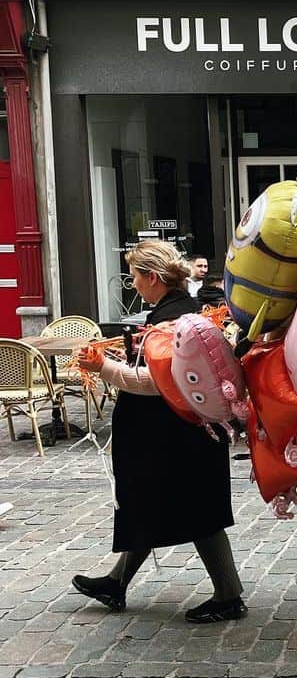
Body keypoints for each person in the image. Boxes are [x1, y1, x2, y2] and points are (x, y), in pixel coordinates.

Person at [72, 240, 246, 623]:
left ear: (152, 276)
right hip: (178, 433)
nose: (133, 284)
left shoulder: (173, 320)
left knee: (197, 511)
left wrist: (104, 368)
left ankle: (229, 595)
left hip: (173, 435)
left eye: (135, 275)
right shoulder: (184, 310)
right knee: (154, 504)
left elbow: (157, 381)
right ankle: (116, 583)